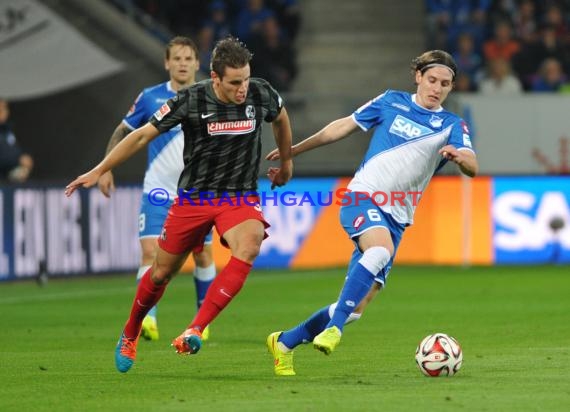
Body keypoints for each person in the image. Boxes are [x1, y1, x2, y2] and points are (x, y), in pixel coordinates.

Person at [65, 36, 293, 373]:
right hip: (194, 199)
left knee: (250, 243)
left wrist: (287, 163)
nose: (243, 88)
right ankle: (130, 333)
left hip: (238, 195)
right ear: (215, 78)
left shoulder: (260, 92)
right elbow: (142, 135)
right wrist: (101, 168)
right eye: (234, 82)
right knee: (160, 273)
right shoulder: (190, 100)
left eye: (245, 78)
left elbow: (281, 118)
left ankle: (195, 328)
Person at [265, 50, 478, 376]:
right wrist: (292, 150)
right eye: (432, 80)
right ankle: (333, 330)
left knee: (355, 309)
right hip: (363, 196)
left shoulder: (451, 124)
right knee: (379, 251)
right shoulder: (390, 101)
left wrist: (460, 159)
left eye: (445, 84)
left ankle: (284, 342)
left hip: (397, 218)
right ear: (418, 76)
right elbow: (339, 128)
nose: (437, 88)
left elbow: (472, 165)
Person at [97, 36, 217, 342]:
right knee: (150, 252)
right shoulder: (150, 98)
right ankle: (148, 318)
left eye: (188, 58)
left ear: (197, 63)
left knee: (202, 255)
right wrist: (106, 166)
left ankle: (201, 322)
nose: (182, 64)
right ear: (166, 63)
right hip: (158, 192)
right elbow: (125, 130)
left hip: (196, 194)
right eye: (176, 58)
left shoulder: (210, 96)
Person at [0, 98, 34, 183]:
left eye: (4, 108)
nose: (3, 112)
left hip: (8, 183)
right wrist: (18, 160)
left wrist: (25, 160)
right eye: (0, 109)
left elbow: (16, 150)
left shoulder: (8, 130)